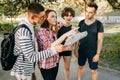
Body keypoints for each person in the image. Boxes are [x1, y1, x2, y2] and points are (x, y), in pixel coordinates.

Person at [10, 3, 74, 80]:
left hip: (32, 68)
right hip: (24, 71)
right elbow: (32, 56)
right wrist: (56, 48)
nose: (44, 18)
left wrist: (66, 48)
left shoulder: (31, 27)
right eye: (42, 17)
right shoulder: (24, 31)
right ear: (33, 17)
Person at [77, 2, 104, 80]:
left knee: (93, 71)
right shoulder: (81, 23)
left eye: (90, 12)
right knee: (80, 67)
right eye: (87, 11)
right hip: (81, 50)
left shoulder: (99, 24)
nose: (87, 14)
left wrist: (98, 54)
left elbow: (100, 40)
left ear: (95, 13)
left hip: (93, 52)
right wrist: (76, 49)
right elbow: (78, 37)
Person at [57, 7, 75, 80]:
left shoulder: (72, 28)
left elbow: (74, 40)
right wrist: (57, 27)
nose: (69, 17)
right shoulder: (58, 25)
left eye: (70, 15)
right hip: (58, 48)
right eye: (67, 15)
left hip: (67, 49)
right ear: (63, 16)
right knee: (55, 66)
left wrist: (74, 47)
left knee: (67, 68)